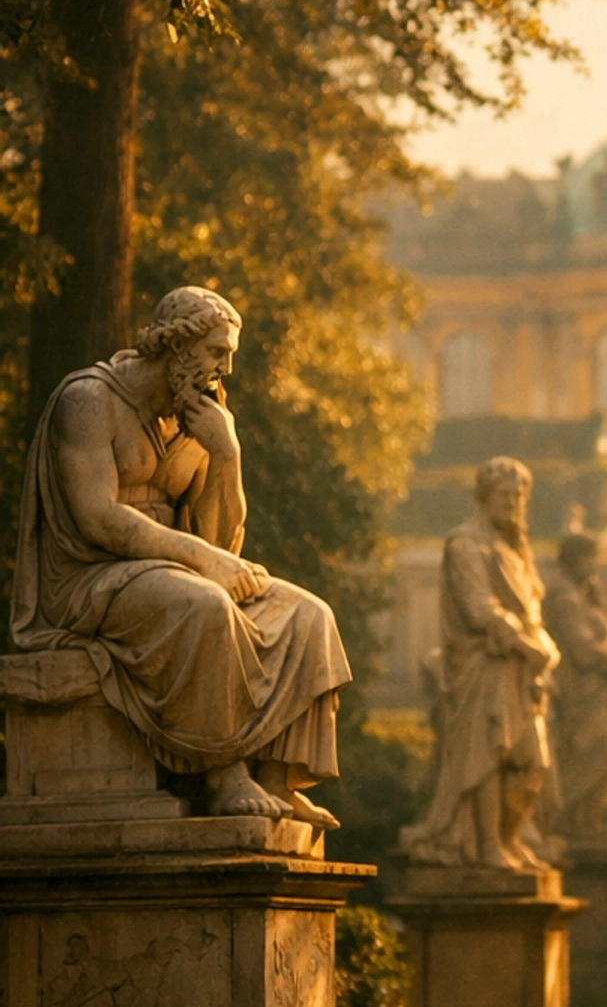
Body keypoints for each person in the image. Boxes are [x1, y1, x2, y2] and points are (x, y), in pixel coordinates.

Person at [11, 285, 350, 827]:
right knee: (205, 607)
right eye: (218, 352)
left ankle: (276, 779)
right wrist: (201, 560)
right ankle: (222, 775)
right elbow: (97, 518)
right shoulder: (89, 400)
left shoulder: (197, 417)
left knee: (310, 615)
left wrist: (226, 453)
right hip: (89, 581)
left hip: (169, 572)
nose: (226, 370)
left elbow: (222, 545)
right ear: (179, 345)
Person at [401, 456, 560, 870]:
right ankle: (489, 846)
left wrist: (542, 646)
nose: (511, 503)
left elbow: (533, 610)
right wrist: (527, 646)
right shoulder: (466, 543)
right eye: (502, 494)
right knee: (489, 756)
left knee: (533, 763)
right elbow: (478, 608)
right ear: (483, 497)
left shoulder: (513, 547)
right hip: (482, 667)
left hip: (521, 674)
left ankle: (507, 838)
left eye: (517, 496)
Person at [543, 529, 607, 850]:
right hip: (578, 690)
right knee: (592, 749)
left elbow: (606, 636)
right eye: (588, 558)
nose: (593, 565)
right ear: (572, 560)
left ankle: (586, 821)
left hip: (602, 690)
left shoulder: (587, 593)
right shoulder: (563, 596)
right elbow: (582, 649)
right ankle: (562, 821)